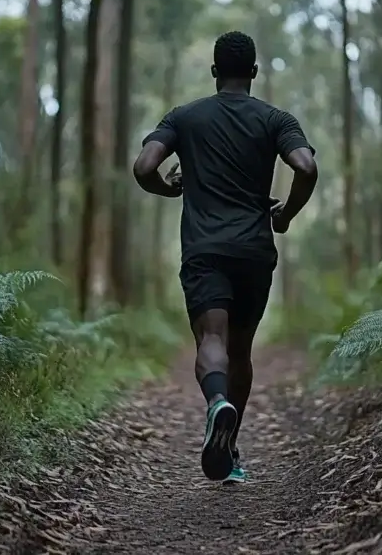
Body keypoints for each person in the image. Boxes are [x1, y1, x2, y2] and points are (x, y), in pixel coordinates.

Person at [131, 31, 319, 482]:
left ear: (214, 71)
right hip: (254, 251)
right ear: (254, 72)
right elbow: (306, 168)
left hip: (205, 250)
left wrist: (168, 187)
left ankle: (217, 404)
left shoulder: (184, 117)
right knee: (240, 349)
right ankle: (231, 453)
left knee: (210, 341)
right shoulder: (276, 120)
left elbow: (143, 167)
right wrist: (287, 214)